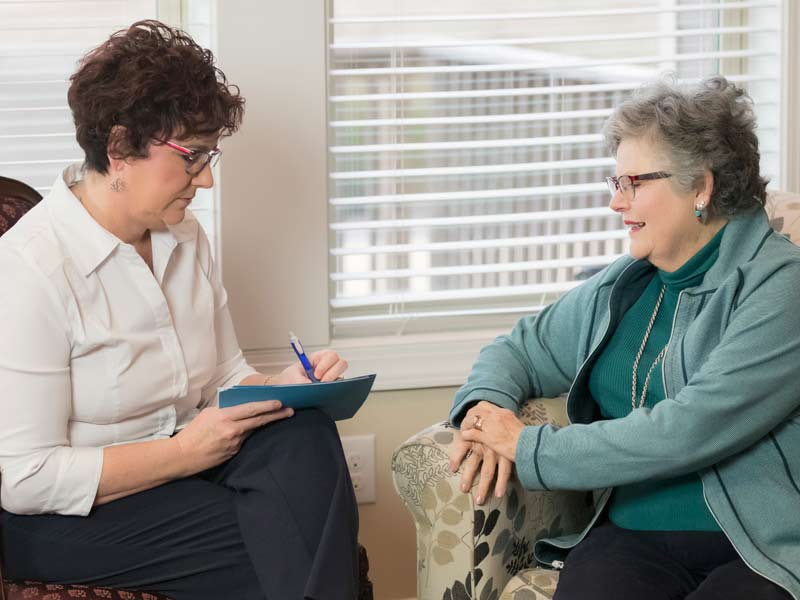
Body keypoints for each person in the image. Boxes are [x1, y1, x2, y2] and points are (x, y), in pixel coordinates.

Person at [0, 20, 359, 600]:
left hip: (191, 463)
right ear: (118, 148)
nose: (207, 179)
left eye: (209, 155)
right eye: (191, 156)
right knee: (287, 542)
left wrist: (283, 386)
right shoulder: (30, 270)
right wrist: (183, 453)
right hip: (71, 514)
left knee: (308, 434)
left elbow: (222, 376)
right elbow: (25, 478)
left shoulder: (184, 237)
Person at [447, 76, 799, 600]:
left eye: (634, 182)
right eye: (615, 183)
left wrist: (526, 446)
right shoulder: (624, 283)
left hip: (756, 545)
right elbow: (520, 347)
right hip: (633, 538)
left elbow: (688, 428)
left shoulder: (780, 286)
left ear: (700, 187)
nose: (617, 202)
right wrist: (484, 410)